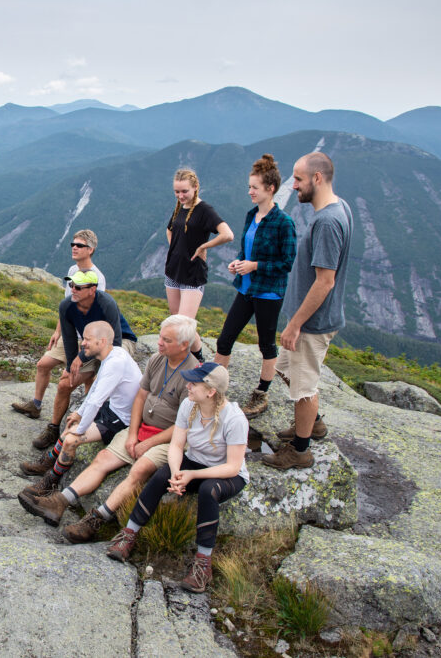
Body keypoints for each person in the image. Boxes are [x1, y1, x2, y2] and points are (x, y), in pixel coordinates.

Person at [18, 315, 199, 544]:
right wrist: (133, 434)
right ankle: (59, 503)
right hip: (140, 427)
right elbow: (140, 397)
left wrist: (147, 443)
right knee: (102, 458)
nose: (159, 343)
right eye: (160, 337)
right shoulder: (156, 359)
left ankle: (96, 520)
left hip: (166, 439)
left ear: (184, 345)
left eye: (166, 340)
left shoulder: (193, 375)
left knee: (139, 470)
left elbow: (183, 425)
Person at [106, 363, 248, 595]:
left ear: (211, 392)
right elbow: (177, 445)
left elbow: (232, 467)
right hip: (195, 461)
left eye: (194, 383)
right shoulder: (189, 405)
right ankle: (128, 535)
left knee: (208, 491)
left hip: (224, 473)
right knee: (161, 474)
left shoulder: (234, 419)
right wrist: (175, 473)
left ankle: (203, 564)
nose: (188, 386)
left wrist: (192, 475)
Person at [263, 152, 353, 470]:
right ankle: (312, 423)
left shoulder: (328, 221)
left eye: (298, 178)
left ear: (317, 178)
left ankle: (299, 451)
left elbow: (325, 282)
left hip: (312, 323)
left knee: (304, 388)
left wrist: (295, 324)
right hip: (309, 318)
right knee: (287, 370)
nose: (294, 185)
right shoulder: (338, 207)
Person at [18, 320, 141, 524]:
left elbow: (97, 399)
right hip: (112, 410)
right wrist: (79, 413)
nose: (82, 344)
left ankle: (51, 486)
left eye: (87, 339)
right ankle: (48, 471)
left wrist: (80, 429)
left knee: (70, 439)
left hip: (120, 420)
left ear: (102, 341)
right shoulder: (111, 355)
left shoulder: (116, 362)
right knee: (70, 429)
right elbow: (94, 391)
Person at [19, 276, 138, 479]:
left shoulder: (107, 304)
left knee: (77, 428)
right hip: (97, 350)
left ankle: (51, 479)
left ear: (92, 290)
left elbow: (114, 342)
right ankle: (52, 433)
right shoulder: (67, 305)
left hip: (116, 344)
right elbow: (69, 337)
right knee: (66, 384)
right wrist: (71, 364)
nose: (72, 289)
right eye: (71, 285)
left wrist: (80, 426)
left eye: (78, 287)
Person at [214, 154, 297, 418]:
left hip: (269, 292)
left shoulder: (284, 223)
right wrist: (239, 263)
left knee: (266, 343)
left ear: (270, 189)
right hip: (246, 287)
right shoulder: (252, 215)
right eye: (249, 186)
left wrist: (255, 266)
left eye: (254, 187)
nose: (250, 191)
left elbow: (286, 263)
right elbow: (246, 249)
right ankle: (216, 389)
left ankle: (261, 394)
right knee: (225, 338)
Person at [12, 230, 106, 451]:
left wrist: (81, 354)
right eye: (73, 244)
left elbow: (96, 315)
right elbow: (68, 304)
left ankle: (82, 420)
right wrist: (58, 331)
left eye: (80, 245)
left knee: (80, 380)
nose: (74, 247)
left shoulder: (97, 278)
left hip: (87, 339)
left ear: (90, 250)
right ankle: (35, 405)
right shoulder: (73, 270)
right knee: (43, 364)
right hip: (69, 333)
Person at [164, 168, 234, 361]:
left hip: (192, 274)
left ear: (195, 187)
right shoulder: (180, 207)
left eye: (184, 191)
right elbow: (170, 230)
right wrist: (176, 248)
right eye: (177, 192)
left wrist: (205, 246)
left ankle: (192, 360)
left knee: (184, 325)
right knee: (179, 321)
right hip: (173, 271)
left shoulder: (205, 210)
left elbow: (227, 234)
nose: (180, 196)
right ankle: (198, 357)